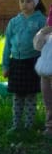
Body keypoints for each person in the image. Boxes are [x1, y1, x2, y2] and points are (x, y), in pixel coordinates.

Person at [2, 0, 47, 130]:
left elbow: (46, 43)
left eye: (28, 1)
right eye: (21, 1)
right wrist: (5, 65)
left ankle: (29, 126)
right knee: (17, 96)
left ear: (35, 2)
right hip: (16, 63)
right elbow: (7, 45)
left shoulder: (41, 21)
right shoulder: (14, 22)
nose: (24, 4)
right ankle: (16, 125)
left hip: (32, 62)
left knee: (30, 96)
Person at [33, 8, 52, 136]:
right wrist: (42, 33)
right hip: (45, 72)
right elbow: (37, 46)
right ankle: (50, 126)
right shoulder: (46, 34)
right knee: (48, 101)